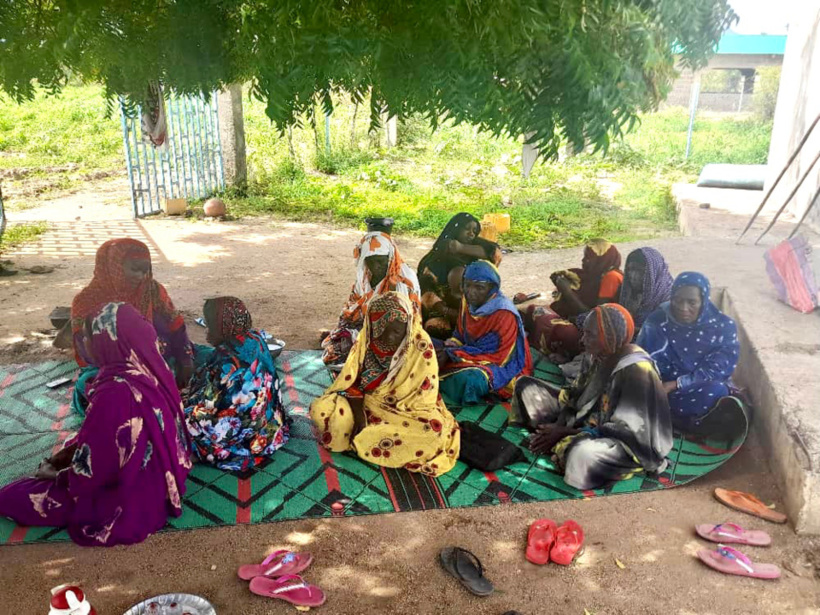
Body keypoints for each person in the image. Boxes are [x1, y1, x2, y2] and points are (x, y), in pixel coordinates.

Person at [0, 303, 191, 546]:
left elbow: (96, 469)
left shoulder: (114, 394)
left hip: (129, 498)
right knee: (68, 451)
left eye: (90, 337)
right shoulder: (152, 368)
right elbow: (106, 438)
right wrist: (71, 453)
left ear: (108, 341)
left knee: (10, 496)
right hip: (160, 479)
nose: (86, 344)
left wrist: (57, 475)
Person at [516, 304, 673, 490]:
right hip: (585, 417)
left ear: (609, 337)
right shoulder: (595, 354)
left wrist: (566, 432)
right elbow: (575, 394)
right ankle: (559, 440)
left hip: (627, 442)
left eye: (589, 334)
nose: (583, 340)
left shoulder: (637, 371)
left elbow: (631, 433)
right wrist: (559, 425)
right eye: (584, 333)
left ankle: (567, 446)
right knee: (525, 387)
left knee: (582, 455)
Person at [311, 292, 460, 477]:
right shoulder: (366, 342)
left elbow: (424, 400)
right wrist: (359, 416)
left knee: (433, 431)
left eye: (397, 331)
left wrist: (386, 412)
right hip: (364, 404)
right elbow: (352, 384)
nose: (389, 337)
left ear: (407, 327)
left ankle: (363, 440)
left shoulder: (420, 346)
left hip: (407, 413)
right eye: (382, 328)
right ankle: (367, 438)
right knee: (321, 410)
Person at [70, 238, 193, 414]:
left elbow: (176, 327)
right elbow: (87, 352)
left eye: (146, 270)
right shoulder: (86, 301)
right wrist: (131, 367)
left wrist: (185, 360)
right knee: (95, 388)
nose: (141, 276)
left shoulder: (151, 289)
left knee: (208, 363)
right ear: (114, 267)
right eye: (135, 269)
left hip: (157, 359)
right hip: (110, 369)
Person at [184, 297, 289, 472]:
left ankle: (208, 451)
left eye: (210, 325)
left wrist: (188, 404)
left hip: (240, 425)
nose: (208, 331)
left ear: (223, 326)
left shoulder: (225, 358)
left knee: (180, 422)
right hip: (268, 422)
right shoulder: (256, 339)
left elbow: (210, 405)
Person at [637, 272, 741, 432]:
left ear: (703, 301)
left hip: (695, 387)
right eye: (678, 300)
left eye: (692, 302)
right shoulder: (657, 321)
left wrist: (675, 384)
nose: (683, 308)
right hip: (658, 388)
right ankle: (680, 421)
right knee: (631, 388)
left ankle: (669, 419)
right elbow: (641, 357)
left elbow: (716, 370)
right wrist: (653, 386)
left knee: (715, 392)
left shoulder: (723, 327)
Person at [438, 260, 532, 404]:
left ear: (492, 288)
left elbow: (497, 356)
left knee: (471, 381)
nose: (470, 292)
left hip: (500, 364)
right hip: (467, 353)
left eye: (479, 287)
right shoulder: (467, 301)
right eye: (467, 285)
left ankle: (435, 375)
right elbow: (460, 333)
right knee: (424, 344)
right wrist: (453, 345)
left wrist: (452, 354)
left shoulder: (504, 313)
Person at [322, 231, 420, 366]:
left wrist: (367, 332)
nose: (376, 266)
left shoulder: (404, 279)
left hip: (393, 332)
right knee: (338, 348)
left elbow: (405, 319)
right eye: (371, 261)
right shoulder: (365, 275)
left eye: (380, 261)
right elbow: (353, 303)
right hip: (367, 326)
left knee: (362, 355)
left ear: (390, 256)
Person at [418, 213, 502, 338]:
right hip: (442, 311)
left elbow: (495, 253)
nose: (471, 233)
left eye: (474, 231)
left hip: (471, 308)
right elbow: (427, 295)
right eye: (467, 229)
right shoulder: (433, 262)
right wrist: (451, 312)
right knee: (436, 328)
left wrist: (460, 247)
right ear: (455, 229)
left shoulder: (471, 255)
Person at [550, 239, 623, 320]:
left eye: (588, 257)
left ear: (601, 260)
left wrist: (568, 292)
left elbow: (596, 317)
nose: (583, 260)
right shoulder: (600, 275)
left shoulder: (611, 277)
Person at [618, 247, 673, 335]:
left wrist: (632, 329)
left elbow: (667, 333)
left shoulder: (670, 300)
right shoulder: (628, 295)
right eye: (630, 270)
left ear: (654, 272)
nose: (633, 276)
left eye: (640, 271)